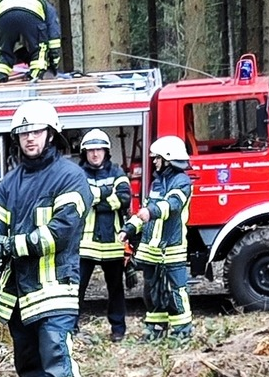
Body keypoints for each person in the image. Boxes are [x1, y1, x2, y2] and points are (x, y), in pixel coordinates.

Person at [0, 100, 92, 377]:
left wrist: (12, 246)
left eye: (36, 131)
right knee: (27, 360)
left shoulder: (70, 177)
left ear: (51, 134)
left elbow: (62, 231)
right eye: (23, 133)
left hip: (54, 286)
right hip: (18, 292)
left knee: (55, 353)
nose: (30, 138)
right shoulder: (10, 182)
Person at [119, 136, 193, 341]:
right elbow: (144, 213)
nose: (154, 162)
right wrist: (128, 229)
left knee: (176, 291)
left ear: (168, 159)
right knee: (152, 292)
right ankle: (155, 328)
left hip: (171, 248)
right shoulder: (157, 183)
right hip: (151, 249)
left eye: (157, 158)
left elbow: (173, 205)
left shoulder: (182, 182)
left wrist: (150, 211)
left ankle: (183, 332)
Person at [77, 130, 131, 342]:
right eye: (91, 150)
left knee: (116, 289)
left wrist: (96, 199)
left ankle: (118, 330)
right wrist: (107, 193)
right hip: (85, 244)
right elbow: (81, 199)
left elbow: (125, 198)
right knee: (77, 290)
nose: (95, 154)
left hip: (113, 243)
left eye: (98, 149)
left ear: (106, 151)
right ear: (85, 153)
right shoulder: (78, 174)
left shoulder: (117, 172)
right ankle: (72, 328)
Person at [0, 0, 63, 83]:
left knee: (5, 51)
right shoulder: (49, 8)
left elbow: (16, 44)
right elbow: (54, 37)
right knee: (40, 49)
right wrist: (53, 63)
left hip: (3, 12)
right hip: (30, 12)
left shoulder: (36, 1)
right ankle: (36, 77)